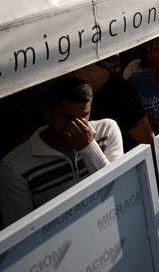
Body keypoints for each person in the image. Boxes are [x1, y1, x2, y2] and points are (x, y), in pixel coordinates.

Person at [1, 77, 124, 224]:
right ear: (47, 112)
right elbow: (21, 233)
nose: (77, 125)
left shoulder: (107, 131)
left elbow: (119, 191)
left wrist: (89, 148)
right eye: (68, 117)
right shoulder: (14, 167)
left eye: (84, 116)